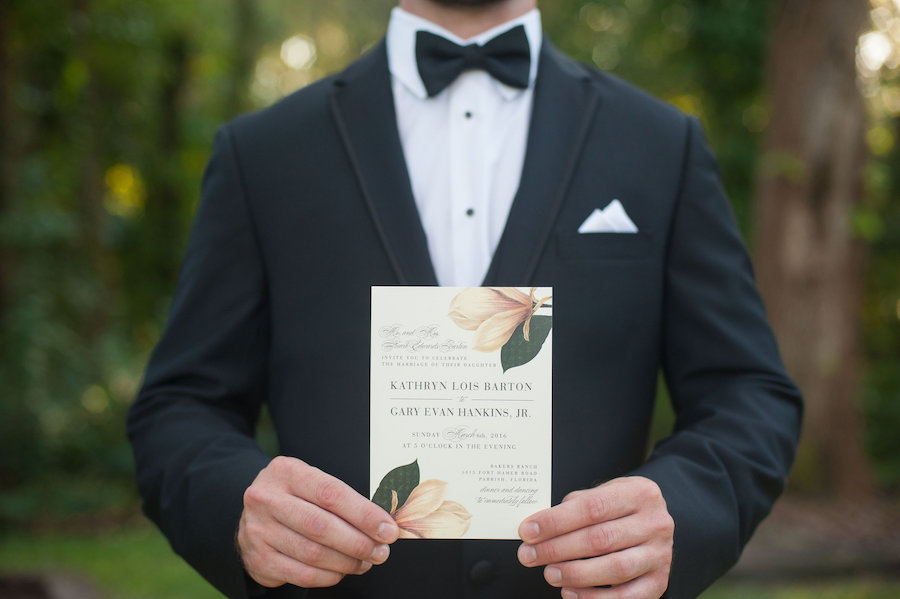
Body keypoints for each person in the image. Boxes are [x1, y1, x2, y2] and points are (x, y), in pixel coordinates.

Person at [127, 0, 802, 597]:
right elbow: (179, 404)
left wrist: (680, 505)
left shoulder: (661, 145)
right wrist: (237, 506)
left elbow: (749, 391)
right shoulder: (265, 153)